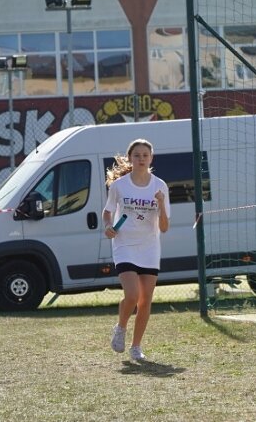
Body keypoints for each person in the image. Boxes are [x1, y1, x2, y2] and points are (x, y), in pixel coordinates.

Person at [103, 138, 170, 361]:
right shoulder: (119, 186)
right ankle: (121, 327)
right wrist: (108, 226)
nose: (141, 159)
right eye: (137, 155)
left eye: (145, 155)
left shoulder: (159, 186)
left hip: (149, 247)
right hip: (124, 245)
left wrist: (160, 204)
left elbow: (164, 227)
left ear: (151, 158)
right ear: (130, 158)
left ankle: (136, 346)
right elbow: (107, 212)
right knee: (132, 295)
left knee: (145, 301)